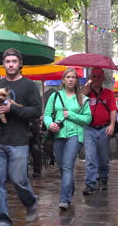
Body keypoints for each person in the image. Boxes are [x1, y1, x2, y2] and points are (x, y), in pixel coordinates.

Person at [0, 48, 41, 226]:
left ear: (20, 63)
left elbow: (36, 112)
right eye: (7, 62)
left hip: (19, 141)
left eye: (14, 61)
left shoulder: (29, 86)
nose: (11, 64)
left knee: (18, 180)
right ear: (3, 64)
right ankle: (3, 220)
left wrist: (11, 108)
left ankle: (30, 202)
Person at [44, 68, 92, 210]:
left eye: (73, 77)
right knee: (61, 166)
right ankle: (69, 188)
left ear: (77, 81)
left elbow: (88, 119)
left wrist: (70, 115)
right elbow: (47, 114)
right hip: (58, 135)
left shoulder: (83, 99)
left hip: (75, 135)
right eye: (68, 77)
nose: (71, 79)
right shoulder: (55, 96)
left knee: (67, 166)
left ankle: (64, 199)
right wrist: (50, 124)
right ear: (63, 80)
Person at [82, 67, 117, 195]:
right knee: (90, 157)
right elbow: (76, 106)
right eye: (94, 76)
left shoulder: (108, 93)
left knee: (103, 157)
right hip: (89, 128)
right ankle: (90, 183)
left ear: (103, 79)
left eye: (98, 77)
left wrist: (112, 125)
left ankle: (103, 178)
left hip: (104, 128)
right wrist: (84, 94)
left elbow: (113, 110)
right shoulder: (86, 92)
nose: (96, 79)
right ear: (91, 78)